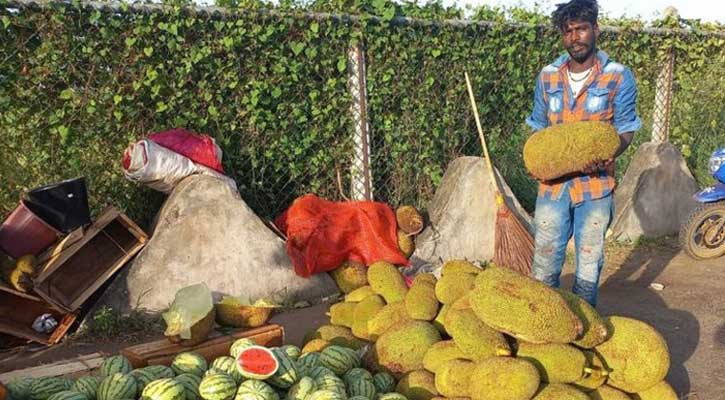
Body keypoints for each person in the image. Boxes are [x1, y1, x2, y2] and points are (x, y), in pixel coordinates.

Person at [525, 0, 641, 306]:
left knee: (589, 264)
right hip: (553, 187)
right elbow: (538, 127)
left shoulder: (618, 75)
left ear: (596, 29)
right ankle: (544, 325)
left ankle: (584, 327)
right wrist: (537, 160)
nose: (575, 37)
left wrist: (612, 152)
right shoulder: (548, 75)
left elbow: (626, 128)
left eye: (581, 29)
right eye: (568, 31)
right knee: (545, 262)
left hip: (596, 186)